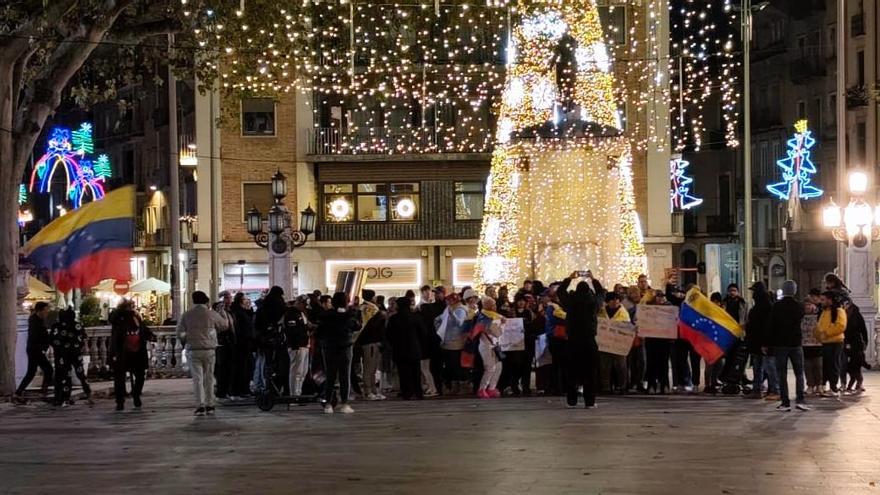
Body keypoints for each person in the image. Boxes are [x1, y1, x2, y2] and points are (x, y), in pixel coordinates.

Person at [178, 291, 231, 416]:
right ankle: (210, 404)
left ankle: (200, 406)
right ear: (206, 300)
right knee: (209, 378)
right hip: (209, 349)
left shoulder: (186, 315)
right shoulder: (211, 314)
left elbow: (180, 333)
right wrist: (222, 313)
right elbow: (224, 326)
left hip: (193, 350)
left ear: (193, 300)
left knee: (197, 379)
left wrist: (186, 341)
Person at [558, 275, 604, 408]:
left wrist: (569, 278)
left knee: (571, 372)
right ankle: (589, 402)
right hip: (589, 341)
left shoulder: (570, 302)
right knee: (590, 373)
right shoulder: (594, 302)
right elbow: (601, 293)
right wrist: (593, 279)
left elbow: (561, 291)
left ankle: (572, 401)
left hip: (572, 341)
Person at [767, 280, 808, 412]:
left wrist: (768, 343)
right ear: (794, 291)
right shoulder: (799, 306)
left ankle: (785, 402)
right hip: (796, 343)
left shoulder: (776, 306)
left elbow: (771, 326)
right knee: (799, 372)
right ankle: (800, 400)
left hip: (780, 344)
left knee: (781, 373)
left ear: (783, 291)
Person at [316, 292, 360, 414]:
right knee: (344, 376)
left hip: (328, 348)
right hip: (345, 348)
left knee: (330, 376)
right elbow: (357, 326)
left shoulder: (325, 316)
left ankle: (328, 405)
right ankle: (344, 404)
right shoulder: (349, 315)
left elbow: (319, 332)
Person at [109, 300, 154, 411]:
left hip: (136, 351)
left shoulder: (136, 318)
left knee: (138, 375)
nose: (133, 308)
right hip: (123, 352)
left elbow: (142, 329)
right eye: (131, 306)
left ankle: (134, 395)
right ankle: (122, 400)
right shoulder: (119, 318)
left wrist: (149, 335)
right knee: (121, 377)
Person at [49, 307, 90, 406]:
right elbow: (83, 338)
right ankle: (86, 389)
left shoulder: (56, 326)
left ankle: (61, 396)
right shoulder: (77, 326)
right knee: (80, 372)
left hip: (61, 355)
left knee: (62, 375)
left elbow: (51, 340)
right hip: (75, 353)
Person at [386, 296, 425, 400]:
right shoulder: (416, 317)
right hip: (414, 348)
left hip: (399, 350)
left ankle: (406, 392)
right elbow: (423, 333)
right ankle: (418, 392)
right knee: (416, 372)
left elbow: (388, 335)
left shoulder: (394, 318)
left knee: (403, 373)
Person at [14, 302, 54, 401]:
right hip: (36, 350)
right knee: (48, 369)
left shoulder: (38, 320)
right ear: (40, 310)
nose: (47, 312)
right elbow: (36, 336)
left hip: (34, 349)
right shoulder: (35, 321)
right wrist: (42, 348)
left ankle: (18, 392)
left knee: (31, 372)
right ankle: (43, 392)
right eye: (46, 309)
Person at [746, 282, 777, 399]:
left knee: (768, 367)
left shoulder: (766, 307)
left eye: (754, 291)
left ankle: (773, 390)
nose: (753, 294)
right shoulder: (761, 306)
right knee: (758, 367)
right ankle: (757, 389)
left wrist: (766, 342)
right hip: (757, 342)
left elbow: (766, 326)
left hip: (763, 342)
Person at [253, 286, 287, 394]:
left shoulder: (263, 305)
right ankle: (273, 387)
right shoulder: (279, 305)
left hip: (263, 339)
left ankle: (263, 386)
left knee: (264, 363)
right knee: (276, 364)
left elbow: (257, 323)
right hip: (275, 338)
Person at [816, 290, 847, 397]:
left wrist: (826, 333)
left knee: (834, 365)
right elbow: (819, 325)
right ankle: (824, 385)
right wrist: (817, 334)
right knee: (825, 365)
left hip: (836, 342)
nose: (821, 302)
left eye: (823, 300)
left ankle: (833, 387)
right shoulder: (824, 311)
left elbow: (841, 326)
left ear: (830, 300)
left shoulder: (839, 311)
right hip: (825, 342)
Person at [598, 291, 630, 394]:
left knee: (621, 366)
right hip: (604, 343)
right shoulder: (601, 312)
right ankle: (606, 386)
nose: (615, 302)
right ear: (608, 301)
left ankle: (622, 386)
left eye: (617, 299)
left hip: (619, 344)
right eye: (612, 300)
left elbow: (627, 327)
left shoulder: (623, 312)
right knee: (604, 366)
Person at [438, 292, 469, 395]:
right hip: (447, 342)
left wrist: (452, 314)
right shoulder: (448, 309)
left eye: (449, 301)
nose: (447, 303)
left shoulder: (460, 310)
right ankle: (453, 386)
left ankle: (460, 387)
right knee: (450, 366)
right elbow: (441, 319)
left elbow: (460, 323)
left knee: (457, 366)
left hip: (457, 343)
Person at [359, 290, 387, 400]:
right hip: (371, 341)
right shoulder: (373, 309)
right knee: (370, 368)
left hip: (367, 341)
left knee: (371, 368)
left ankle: (373, 391)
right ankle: (368, 391)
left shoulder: (362, 308)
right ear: (373, 297)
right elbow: (372, 326)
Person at [475, 297, 505, 398]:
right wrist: (503, 325)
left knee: (498, 366)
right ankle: (482, 388)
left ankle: (492, 388)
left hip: (494, 345)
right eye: (492, 304)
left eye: (494, 304)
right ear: (485, 305)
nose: (494, 306)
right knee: (490, 368)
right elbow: (497, 333)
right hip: (486, 345)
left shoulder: (493, 317)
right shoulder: (486, 318)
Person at [645, 290, 673, 394]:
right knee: (651, 362)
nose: (660, 298)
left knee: (664, 363)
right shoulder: (648, 307)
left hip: (664, 340)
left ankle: (664, 385)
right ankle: (651, 385)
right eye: (658, 296)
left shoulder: (669, 308)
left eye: (662, 296)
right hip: (651, 339)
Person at [285, 297, 312, 397]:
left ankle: (298, 392)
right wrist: (306, 327)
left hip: (304, 345)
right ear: (299, 303)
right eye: (304, 304)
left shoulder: (301, 313)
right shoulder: (291, 314)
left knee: (303, 372)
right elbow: (292, 331)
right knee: (296, 372)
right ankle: (294, 394)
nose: (304, 307)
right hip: (297, 346)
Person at [213, 291, 237, 400]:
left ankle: (227, 390)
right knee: (222, 369)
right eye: (228, 298)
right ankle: (221, 391)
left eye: (230, 298)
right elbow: (223, 326)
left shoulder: (229, 311)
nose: (230, 300)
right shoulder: (219, 312)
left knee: (228, 368)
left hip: (229, 342)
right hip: (222, 343)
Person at [230, 293, 255, 398]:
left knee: (245, 366)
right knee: (244, 367)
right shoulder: (238, 312)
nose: (246, 301)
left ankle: (242, 389)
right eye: (245, 299)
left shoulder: (239, 311)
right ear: (241, 300)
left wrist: (249, 310)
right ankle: (242, 389)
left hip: (243, 343)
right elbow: (245, 326)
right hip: (242, 343)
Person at [843, 298, 868, 393]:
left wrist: (865, 341)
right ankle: (848, 384)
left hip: (856, 343)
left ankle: (859, 383)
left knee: (856, 364)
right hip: (844, 342)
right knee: (846, 366)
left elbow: (863, 329)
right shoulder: (841, 313)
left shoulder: (857, 315)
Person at [803, 292, 823, 395]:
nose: (808, 307)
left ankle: (819, 384)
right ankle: (810, 385)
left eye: (810, 304)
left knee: (818, 365)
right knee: (807, 366)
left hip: (817, 344)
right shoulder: (801, 316)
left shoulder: (819, 314)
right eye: (806, 305)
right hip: (805, 344)